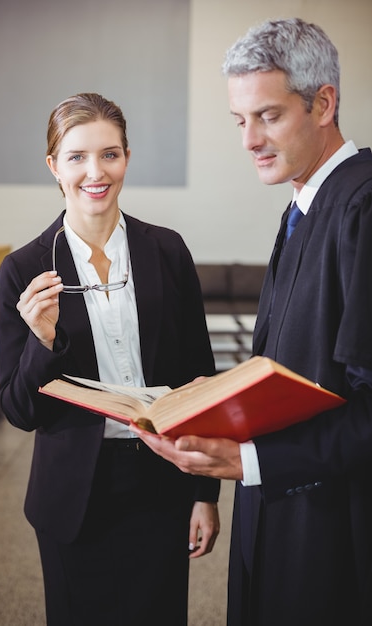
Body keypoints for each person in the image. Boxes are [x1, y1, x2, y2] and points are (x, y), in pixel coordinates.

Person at [131, 18, 372, 626]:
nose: (249, 139)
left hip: (334, 529)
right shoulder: (305, 202)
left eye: (267, 115)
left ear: (324, 103)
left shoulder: (362, 208)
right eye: (239, 121)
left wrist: (250, 461)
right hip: (279, 508)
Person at [0, 92, 220, 626]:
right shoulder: (22, 269)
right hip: (74, 494)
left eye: (110, 154)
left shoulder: (167, 251)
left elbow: (198, 375)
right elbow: (20, 411)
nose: (95, 172)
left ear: (126, 157)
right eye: (76, 157)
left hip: (161, 478)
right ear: (54, 166)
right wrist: (41, 341)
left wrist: (204, 494)